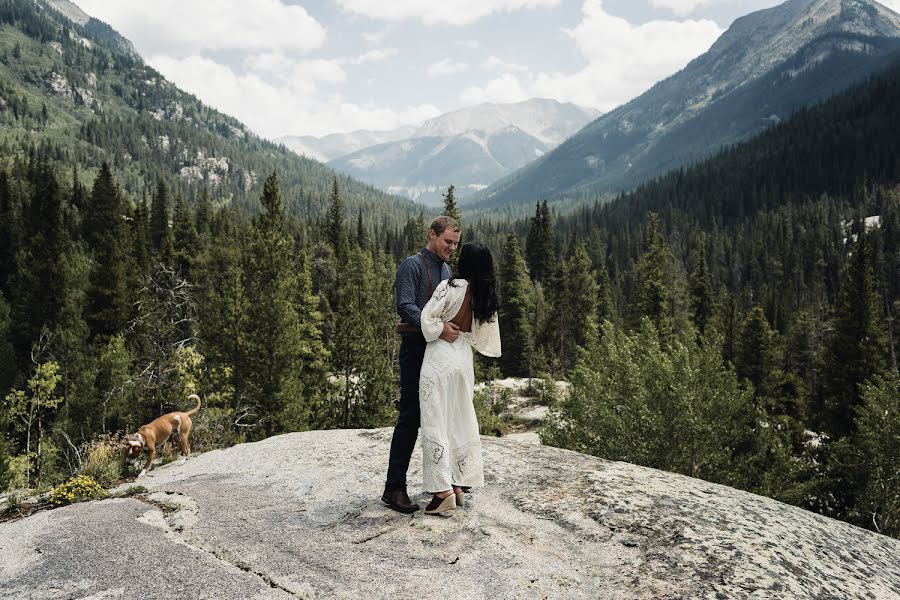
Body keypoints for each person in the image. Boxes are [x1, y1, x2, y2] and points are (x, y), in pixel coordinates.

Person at [382, 215, 461, 513]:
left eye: (455, 243)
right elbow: (405, 305)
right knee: (411, 417)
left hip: (438, 352)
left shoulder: (445, 269)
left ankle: (446, 484)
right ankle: (394, 489)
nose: (452, 247)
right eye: (447, 242)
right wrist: (437, 328)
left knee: (441, 416)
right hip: (415, 349)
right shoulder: (412, 265)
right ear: (432, 235)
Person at [418, 242, 501, 514]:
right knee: (458, 420)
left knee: (435, 421)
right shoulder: (484, 295)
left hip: (441, 357)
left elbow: (427, 319)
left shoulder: (450, 287)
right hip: (463, 359)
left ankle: (442, 492)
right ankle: (457, 485)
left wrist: (440, 326)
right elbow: (485, 340)